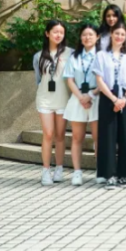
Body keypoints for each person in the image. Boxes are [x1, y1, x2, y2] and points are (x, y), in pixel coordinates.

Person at [93, 21, 126, 190]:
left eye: (122, 34)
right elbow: (99, 80)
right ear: (111, 35)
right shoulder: (101, 55)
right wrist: (114, 100)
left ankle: (123, 175)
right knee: (107, 137)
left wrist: (125, 98)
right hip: (108, 97)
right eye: (117, 33)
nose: (119, 37)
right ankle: (109, 176)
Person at [34, 20, 72, 186]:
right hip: (44, 99)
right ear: (47, 33)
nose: (58, 35)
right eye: (55, 32)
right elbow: (38, 79)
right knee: (48, 134)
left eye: (61, 32)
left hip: (62, 98)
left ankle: (59, 169)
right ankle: (45, 170)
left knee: (60, 135)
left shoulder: (70, 54)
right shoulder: (38, 56)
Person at [63, 23, 100, 186]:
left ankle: (101, 170)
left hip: (96, 97)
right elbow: (69, 80)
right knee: (77, 137)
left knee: (98, 137)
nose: (87, 37)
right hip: (78, 98)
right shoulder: (74, 57)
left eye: (91, 34)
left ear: (97, 37)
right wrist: (81, 98)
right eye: (84, 35)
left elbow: (105, 80)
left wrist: (90, 95)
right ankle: (77, 172)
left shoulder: (102, 56)